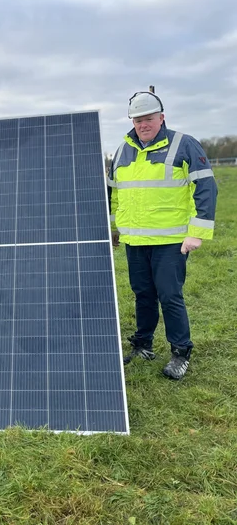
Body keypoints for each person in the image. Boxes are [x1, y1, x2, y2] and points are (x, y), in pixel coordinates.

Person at [107, 91, 218, 380]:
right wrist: (115, 227)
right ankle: (143, 344)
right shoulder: (122, 150)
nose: (143, 124)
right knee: (143, 295)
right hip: (135, 241)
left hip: (170, 241)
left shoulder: (184, 145)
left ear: (162, 117)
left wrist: (197, 234)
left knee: (170, 296)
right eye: (138, 119)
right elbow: (115, 195)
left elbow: (206, 189)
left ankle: (181, 352)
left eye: (148, 118)